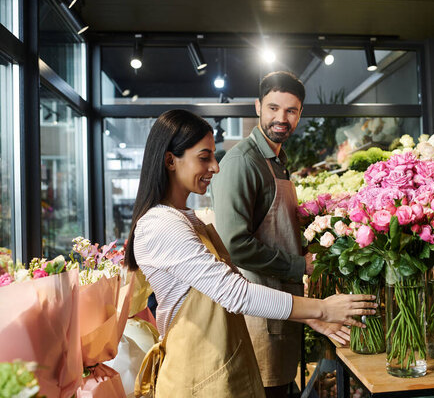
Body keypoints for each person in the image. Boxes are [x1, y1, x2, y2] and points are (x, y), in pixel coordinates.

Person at [124, 109, 376, 398]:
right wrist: (322, 308)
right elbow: (236, 293)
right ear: (170, 160)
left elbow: (233, 286)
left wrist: (308, 318)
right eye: (204, 157)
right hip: (194, 376)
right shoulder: (161, 224)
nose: (216, 168)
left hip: (219, 365)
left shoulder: (187, 218)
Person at [211, 71, 311, 397]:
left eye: (291, 110)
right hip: (259, 312)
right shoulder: (242, 162)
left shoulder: (279, 160)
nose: (281, 118)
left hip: (283, 307)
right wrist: (300, 265)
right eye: (273, 108)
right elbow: (234, 245)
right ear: (258, 107)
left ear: (299, 114)